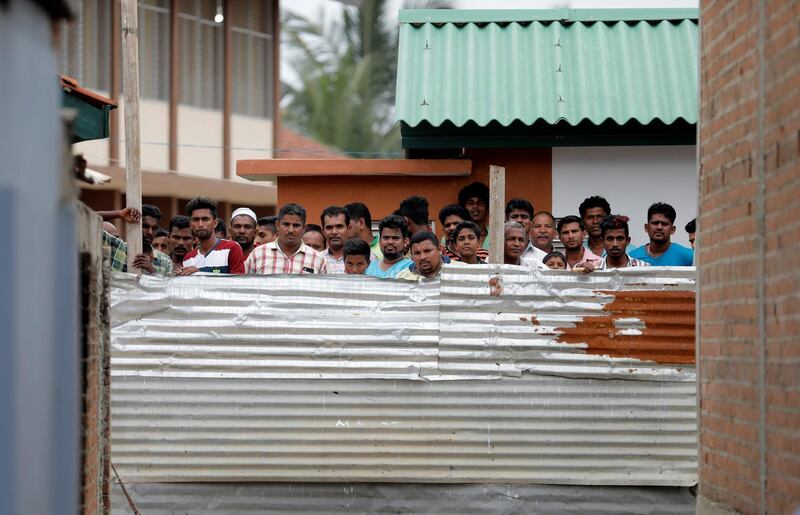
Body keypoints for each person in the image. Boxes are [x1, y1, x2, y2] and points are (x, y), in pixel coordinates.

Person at [245, 203, 328, 275]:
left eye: (296, 225)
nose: (291, 230)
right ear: (277, 225)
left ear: (304, 228)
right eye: (286, 224)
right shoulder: (258, 254)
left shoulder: (318, 259)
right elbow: (245, 288)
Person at [97, 205, 173, 275]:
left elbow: (167, 287)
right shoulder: (118, 248)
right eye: (145, 226)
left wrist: (152, 270)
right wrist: (119, 213)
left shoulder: (165, 261)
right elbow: (86, 219)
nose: (150, 232)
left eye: (154, 228)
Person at [179, 197, 245, 275]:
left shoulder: (232, 248)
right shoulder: (188, 259)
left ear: (215, 223)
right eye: (196, 220)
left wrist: (200, 272)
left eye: (205, 219)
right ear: (190, 224)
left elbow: (238, 282)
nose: (200, 224)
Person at [630, 202, 694, 266]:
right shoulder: (632, 258)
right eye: (655, 223)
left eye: (664, 224)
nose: (659, 227)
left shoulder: (689, 256)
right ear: (646, 227)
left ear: (672, 229)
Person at [505, 198, 547, 263]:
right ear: (506, 222)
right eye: (514, 216)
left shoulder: (543, 258)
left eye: (524, 217)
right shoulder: (495, 256)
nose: (519, 220)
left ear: (531, 224)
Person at [458, 181, 490, 249]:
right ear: (464, 207)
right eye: (470, 203)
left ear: (487, 207)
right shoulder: (455, 235)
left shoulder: (496, 234)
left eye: (480, 203)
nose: (475, 206)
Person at [320, 206, 350, 273]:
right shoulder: (317, 258)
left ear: (349, 228)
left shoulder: (365, 257)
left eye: (339, 227)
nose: (334, 232)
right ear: (323, 232)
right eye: (329, 227)